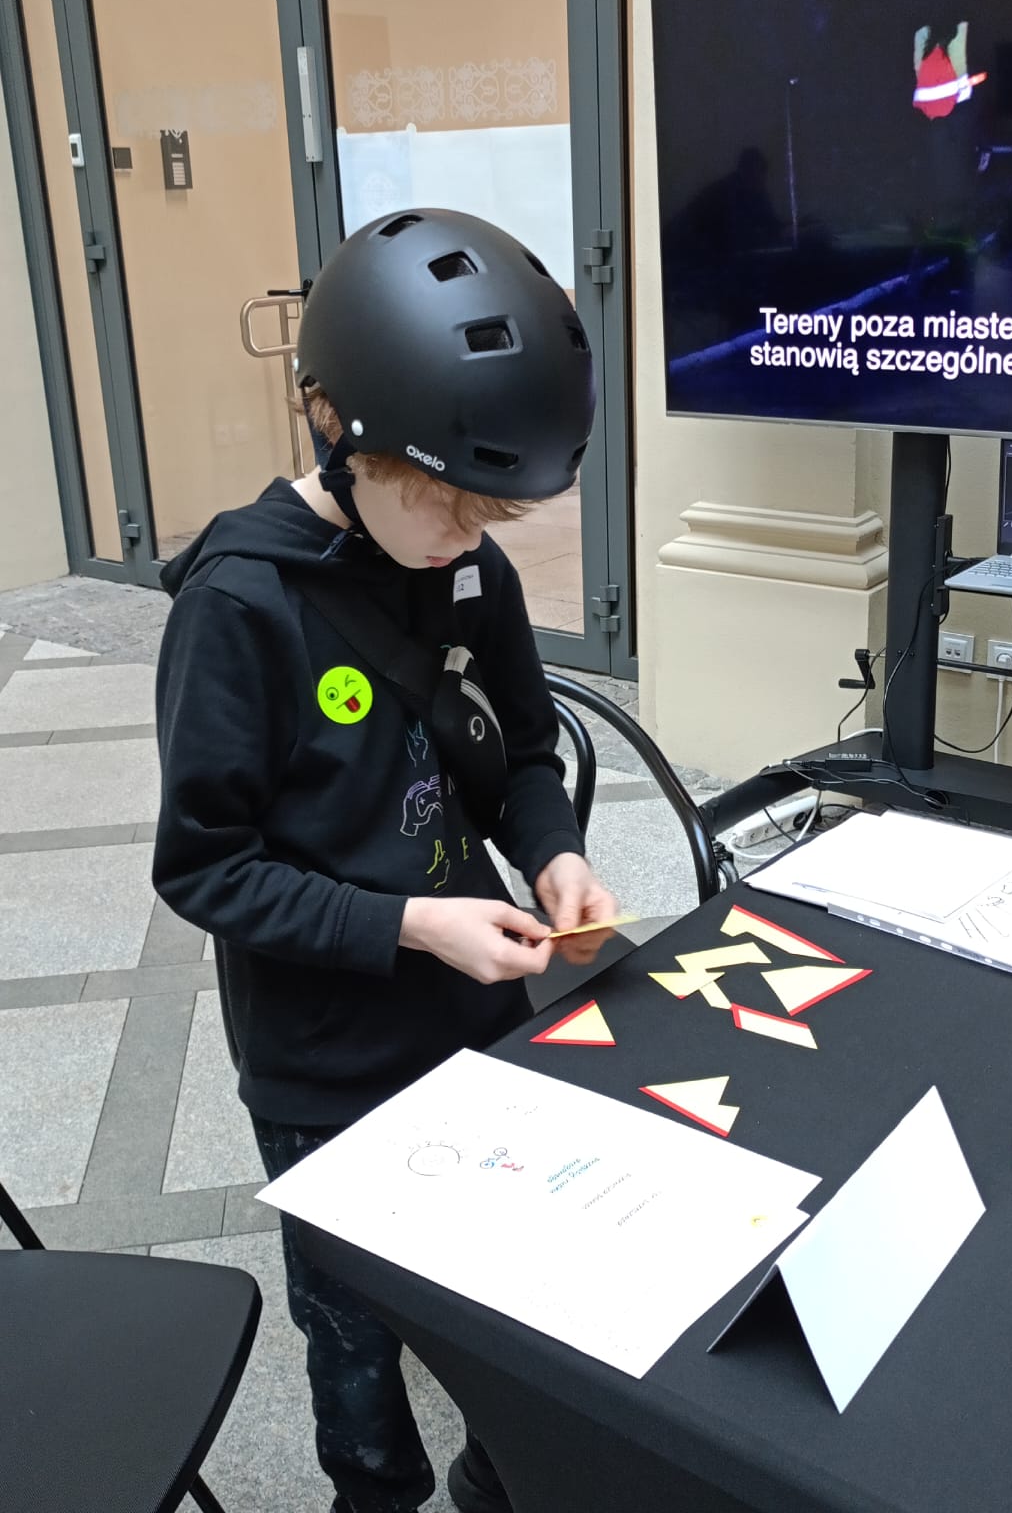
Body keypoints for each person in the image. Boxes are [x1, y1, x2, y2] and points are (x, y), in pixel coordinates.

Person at [152, 208, 618, 1513]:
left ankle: (495, 1477)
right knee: (355, 1336)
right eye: (445, 501)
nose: (467, 533)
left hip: (475, 1015)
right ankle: (375, 1493)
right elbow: (205, 870)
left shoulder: (469, 573)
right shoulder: (241, 606)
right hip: (324, 1056)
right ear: (334, 425)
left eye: (492, 510)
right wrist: (414, 924)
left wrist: (555, 853)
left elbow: (522, 754)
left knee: (500, 1297)